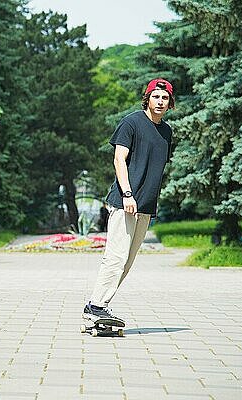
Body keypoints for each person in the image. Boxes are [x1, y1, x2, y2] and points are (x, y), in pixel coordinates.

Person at [83, 78, 175, 327]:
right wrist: (127, 194)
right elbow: (119, 159)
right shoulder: (131, 122)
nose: (160, 101)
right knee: (115, 257)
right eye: (156, 96)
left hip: (145, 206)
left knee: (128, 260)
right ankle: (96, 306)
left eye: (164, 98)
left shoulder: (166, 132)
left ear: (170, 103)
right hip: (125, 202)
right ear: (148, 98)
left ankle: (97, 304)